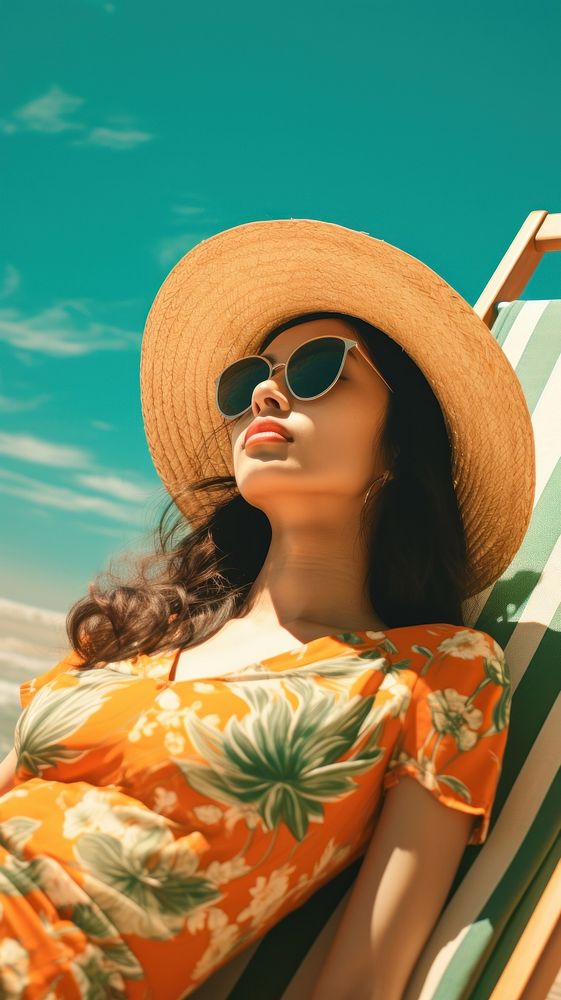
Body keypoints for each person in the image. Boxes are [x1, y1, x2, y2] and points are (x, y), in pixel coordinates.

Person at [0, 219, 535, 999]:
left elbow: (364, 977)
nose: (262, 391)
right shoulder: (141, 634)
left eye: (319, 369)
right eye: (248, 377)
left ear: (396, 452)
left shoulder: (434, 676)